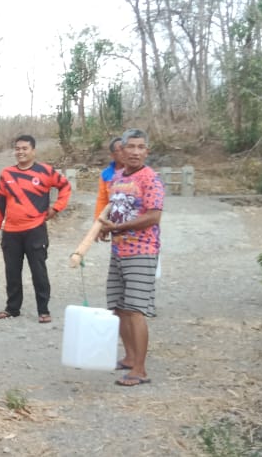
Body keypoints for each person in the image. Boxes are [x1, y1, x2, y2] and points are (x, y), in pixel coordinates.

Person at [96, 128, 164, 387]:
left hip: (142, 251)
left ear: (147, 151)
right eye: (131, 147)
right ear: (121, 151)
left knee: (136, 310)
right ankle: (129, 357)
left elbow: (153, 216)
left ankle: (140, 369)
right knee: (119, 307)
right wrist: (106, 227)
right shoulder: (117, 178)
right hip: (118, 251)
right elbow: (115, 210)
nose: (135, 152)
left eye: (141, 147)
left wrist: (118, 228)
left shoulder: (151, 179)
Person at [0, 135, 72, 323]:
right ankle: (12, 308)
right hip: (11, 231)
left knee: (39, 271)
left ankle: (43, 310)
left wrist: (56, 208)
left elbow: (65, 187)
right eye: (17, 148)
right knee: (12, 271)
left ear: (33, 150)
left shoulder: (45, 171)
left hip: (35, 230)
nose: (20, 152)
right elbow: (0, 202)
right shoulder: (6, 174)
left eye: (24, 148)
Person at [95, 137, 124, 220]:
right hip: (114, 224)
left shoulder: (136, 172)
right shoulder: (106, 174)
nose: (123, 153)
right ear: (112, 155)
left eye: (124, 149)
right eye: (119, 150)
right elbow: (102, 201)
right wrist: (99, 224)